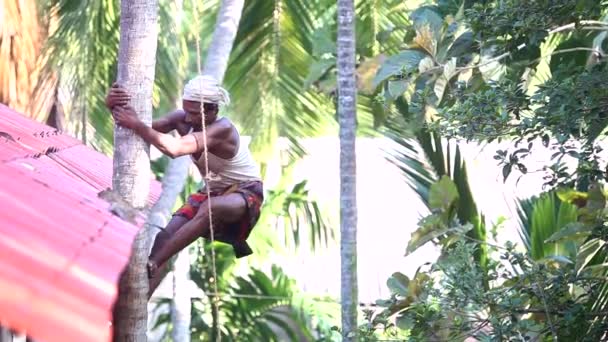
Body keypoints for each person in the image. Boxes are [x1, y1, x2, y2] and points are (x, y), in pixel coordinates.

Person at [105, 75, 264, 295]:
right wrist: (113, 106)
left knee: (211, 209)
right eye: (186, 110)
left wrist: (136, 124)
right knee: (164, 237)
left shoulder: (223, 129)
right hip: (212, 192)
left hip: (245, 193)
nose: (188, 118)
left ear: (212, 111)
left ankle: (154, 261)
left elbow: (174, 148)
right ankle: (142, 299)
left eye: (193, 112)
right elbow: (140, 127)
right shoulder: (183, 119)